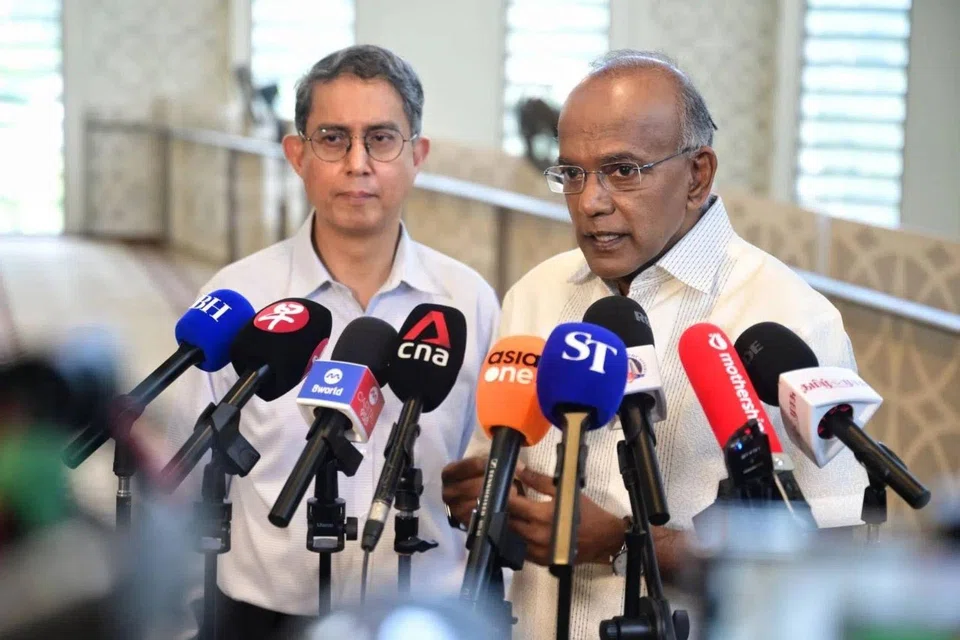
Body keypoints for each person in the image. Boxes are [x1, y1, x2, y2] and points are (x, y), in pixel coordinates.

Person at [442, 50, 868, 639]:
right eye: (572, 174)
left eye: (622, 170)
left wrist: (628, 543)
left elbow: (834, 552)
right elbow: (495, 460)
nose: (590, 201)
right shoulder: (534, 296)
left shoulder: (789, 318)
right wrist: (485, 495)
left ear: (697, 175)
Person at [167, 45, 499, 639]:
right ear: (297, 154)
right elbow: (189, 479)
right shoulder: (239, 296)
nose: (357, 163)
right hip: (264, 619)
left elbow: (486, 474)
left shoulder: (467, 302)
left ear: (418, 155)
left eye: (381, 138)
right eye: (333, 138)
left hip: (421, 619)